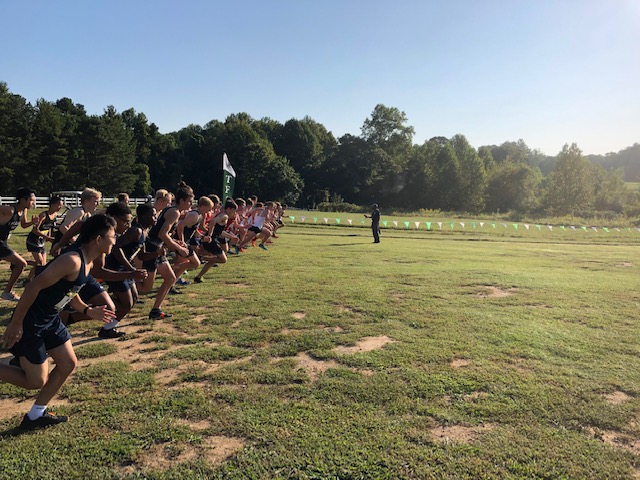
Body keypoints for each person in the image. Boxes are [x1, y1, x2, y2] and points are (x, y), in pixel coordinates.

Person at [0, 215, 117, 430]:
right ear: (99, 239)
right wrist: (16, 323)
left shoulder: (88, 261)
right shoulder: (72, 260)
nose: (115, 241)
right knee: (35, 381)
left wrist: (87, 310)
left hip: (51, 320)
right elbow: (33, 286)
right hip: (32, 321)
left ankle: (36, 416)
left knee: (68, 363)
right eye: (113, 236)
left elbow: (70, 291)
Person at [0, 188, 38, 301]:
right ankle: (7, 292)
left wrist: (32, 222)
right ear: (23, 200)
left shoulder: (23, 211)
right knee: (21, 264)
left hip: (3, 242)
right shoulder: (10, 210)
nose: (33, 203)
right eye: (31, 200)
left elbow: (24, 225)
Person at [25, 195, 63, 283]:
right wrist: (48, 238)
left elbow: (49, 228)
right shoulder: (43, 215)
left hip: (41, 241)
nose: (60, 207)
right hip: (33, 241)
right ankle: (21, 263)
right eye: (59, 205)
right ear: (52, 205)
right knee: (40, 263)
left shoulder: (55, 215)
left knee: (43, 265)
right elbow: (35, 230)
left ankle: (28, 279)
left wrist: (48, 237)